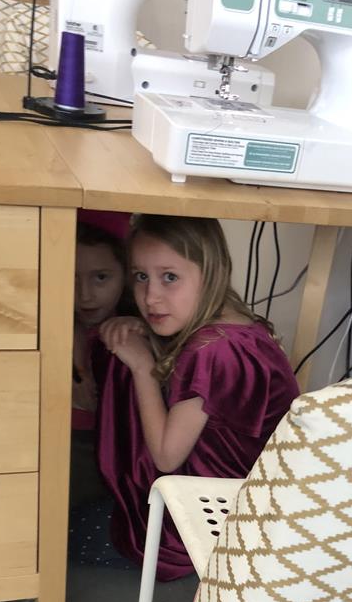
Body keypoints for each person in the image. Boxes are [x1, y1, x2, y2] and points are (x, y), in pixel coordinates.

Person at [95, 213, 300, 580]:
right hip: (256, 503)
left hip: (213, 519)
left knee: (122, 364)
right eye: (141, 276)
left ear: (211, 273)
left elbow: (166, 456)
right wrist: (145, 330)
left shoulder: (210, 350)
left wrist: (142, 366)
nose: (150, 297)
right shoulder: (238, 326)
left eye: (169, 277)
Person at [70, 209, 133, 507]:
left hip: (109, 460)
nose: (85, 295)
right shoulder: (51, 327)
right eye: (71, 278)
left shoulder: (131, 331)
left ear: (126, 275)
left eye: (101, 277)